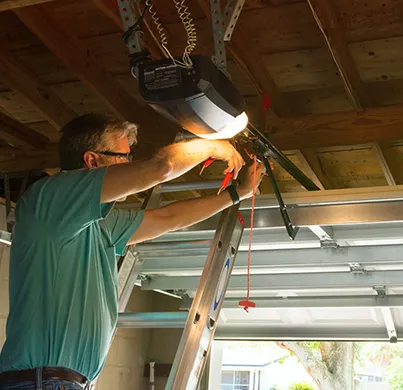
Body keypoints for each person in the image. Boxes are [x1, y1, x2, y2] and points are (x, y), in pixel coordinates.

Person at [0, 113, 264, 390]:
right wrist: (213, 146)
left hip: (56, 382)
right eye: (123, 156)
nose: (129, 164)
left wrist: (237, 195)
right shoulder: (51, 200)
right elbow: (161, 167)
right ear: (92, 160)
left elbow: (166, 219)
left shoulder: (99, 222)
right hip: (42, 382)